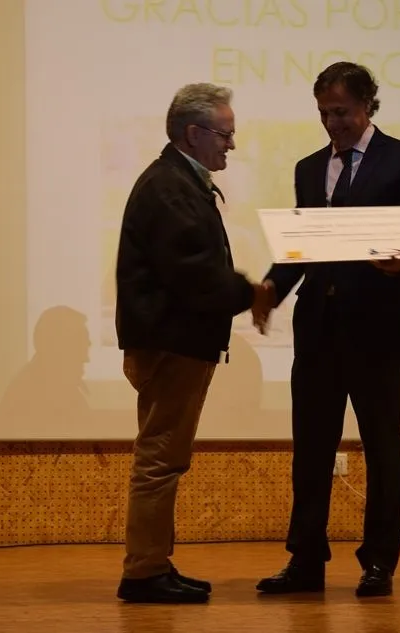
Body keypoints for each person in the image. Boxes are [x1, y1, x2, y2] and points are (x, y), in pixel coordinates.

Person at [253, 62, 400, 598]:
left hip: (378, 329)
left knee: (382, 447)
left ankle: (379, 563)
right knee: (310, 449)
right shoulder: (309, 168)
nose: (333, 123)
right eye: (324, 113)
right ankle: (305, 561)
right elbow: (304, 246)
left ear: (368, 105)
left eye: (342, 112)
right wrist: (271, 287)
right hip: (318, 328)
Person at [114, 82, 274, 604]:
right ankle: (143, 573)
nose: (232, 144)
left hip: (175, 342)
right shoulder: (170, 187)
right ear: (193, 133)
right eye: (225, 134)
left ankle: (154, 564)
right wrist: (251, 293)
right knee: (160, 460)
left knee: (164, 458)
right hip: (171, 345)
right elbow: (194, 274)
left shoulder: (177, 181)